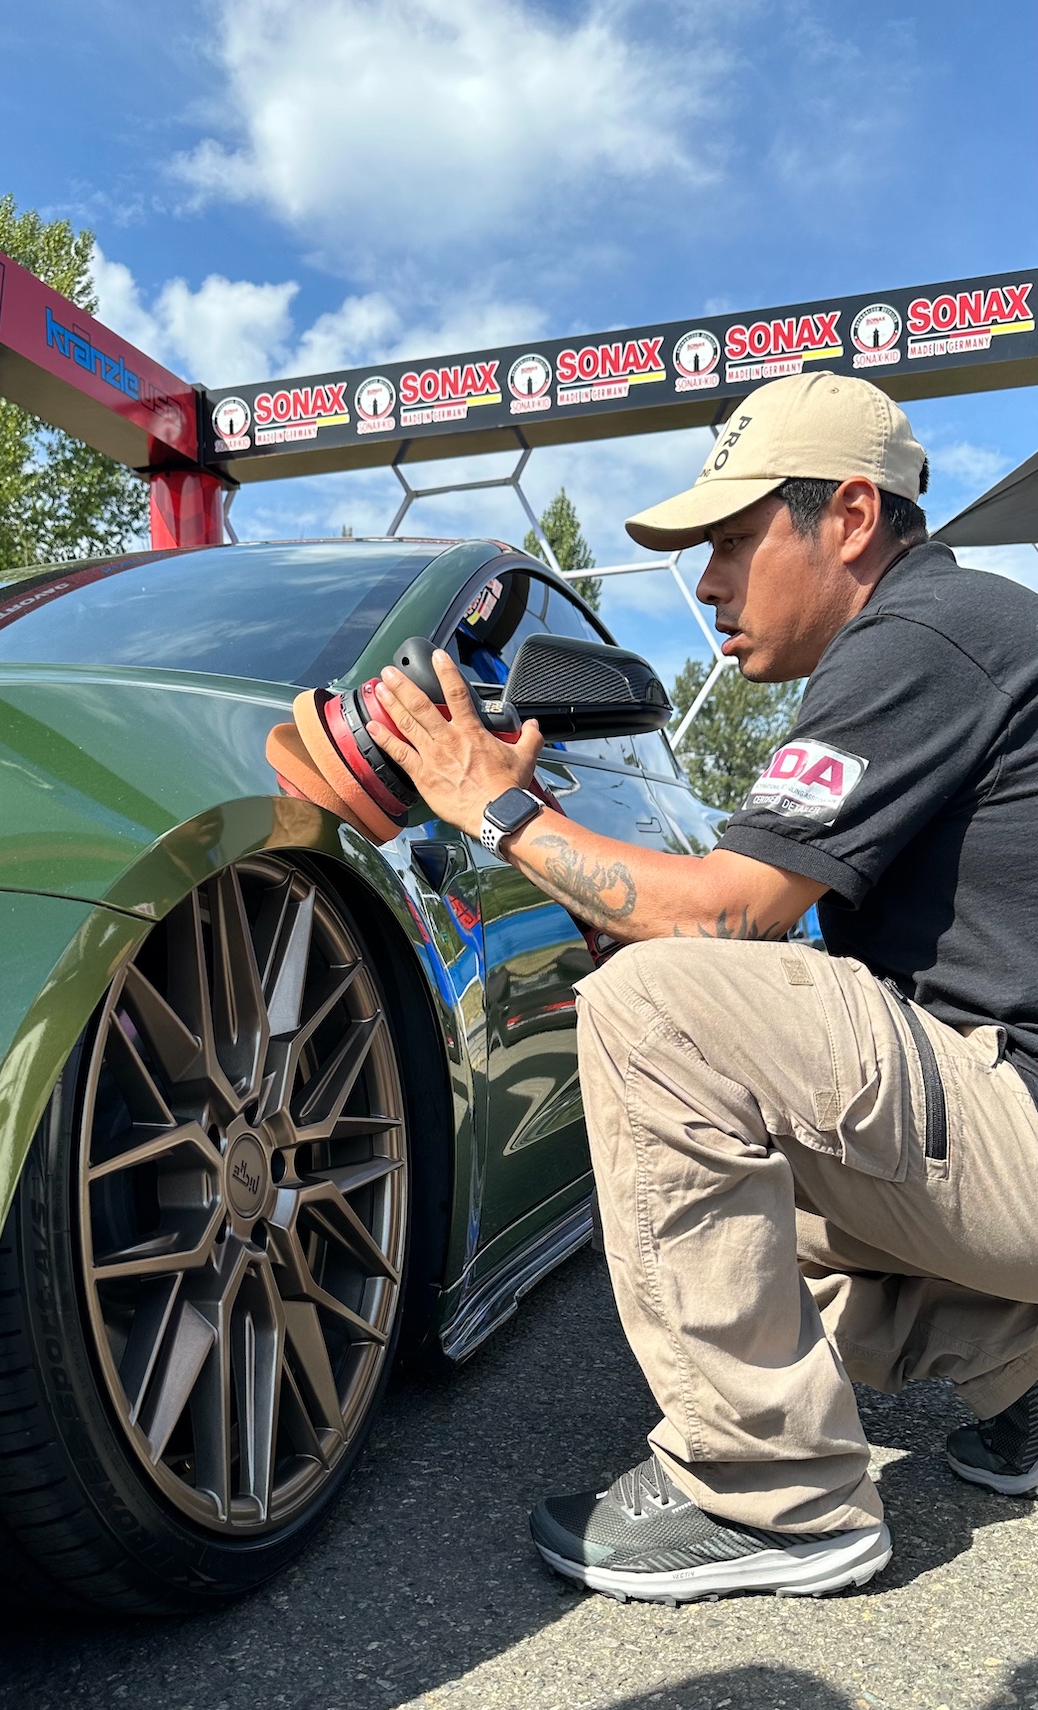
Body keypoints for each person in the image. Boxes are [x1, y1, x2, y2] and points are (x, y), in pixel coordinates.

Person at [366, 370, 1038, 1604]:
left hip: (1025, 1132)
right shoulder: (956, 633)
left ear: (846, 517)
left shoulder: (921, 637)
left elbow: (728, 912)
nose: (709, 585)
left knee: (653, 1011)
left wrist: (497, 807)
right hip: (1016, 1122)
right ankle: (1027, 1380)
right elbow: (741, 956)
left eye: (730, 540)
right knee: (706, 1062)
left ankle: (771, 1497)